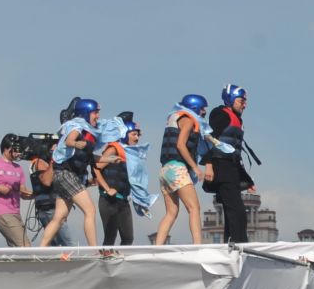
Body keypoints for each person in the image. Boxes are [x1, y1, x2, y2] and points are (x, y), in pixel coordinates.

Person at [38, 97, 101, 246]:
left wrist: (111, 159)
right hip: (67, 174)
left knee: (59, 217)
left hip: (61, 175)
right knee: (90, 211)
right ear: (86, 113)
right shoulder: (77, 126)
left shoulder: (84, 129)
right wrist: (76, 143)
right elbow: (69, 140)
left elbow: (91, 156)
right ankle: (94, 250)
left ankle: (40, 249)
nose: (98, 116)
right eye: (95, 113)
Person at [153, 94, 211, 245]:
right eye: (203, 109)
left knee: (171, 212)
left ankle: (157, 247)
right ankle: (198, 246)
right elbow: (180, 145)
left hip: (165, 171)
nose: (204, 112)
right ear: (195, 108)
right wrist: (195, 167)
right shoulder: (189, 120)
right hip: (177, 168)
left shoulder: (174, 118)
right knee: (194, 208)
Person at [206, 84, 255, 244]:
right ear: (231, 99)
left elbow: (234, 151)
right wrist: (208, 165)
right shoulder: (221, 114)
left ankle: (231, 242)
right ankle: (240, 244)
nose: (245, 104)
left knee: (232, 210)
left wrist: (246, 179)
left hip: (232, 168)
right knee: (237, 211)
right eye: (241, 101)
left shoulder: (236, 119)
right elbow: (209, 139)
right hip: (221, 167)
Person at [94, 120, 140, 246]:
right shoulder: (114, 149)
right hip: (109, 200)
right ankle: (105, 262)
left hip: (123, 201)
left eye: (138, 135)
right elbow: (96, 167)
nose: (137, 138)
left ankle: (121, 262)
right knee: (110, 237)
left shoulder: (130, 153)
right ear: (125, 134)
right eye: (134, 134)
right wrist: (107, 188)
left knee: (128, 238)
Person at [28, 153, 67, 246]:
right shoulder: (39, 162)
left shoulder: (39, 163)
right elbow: (48, 181)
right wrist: (54, 161)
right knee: (67, 242)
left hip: (47, 208)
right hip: (50, 209)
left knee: (55, 245)